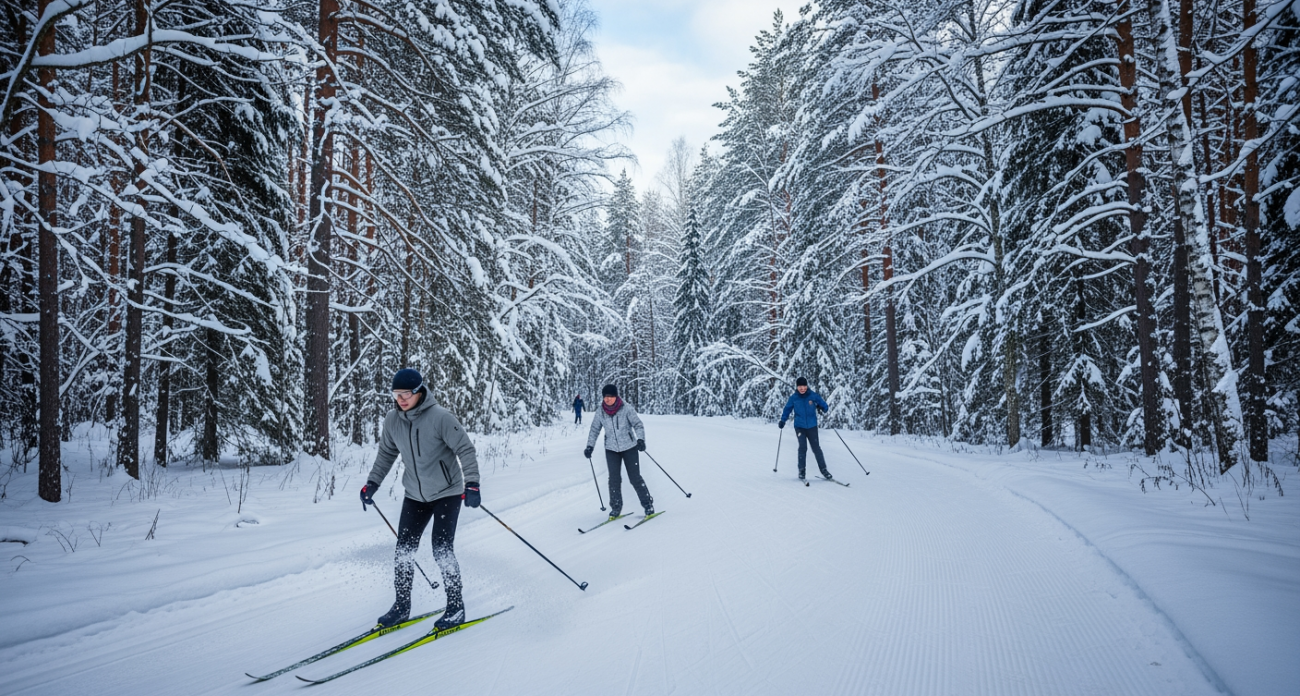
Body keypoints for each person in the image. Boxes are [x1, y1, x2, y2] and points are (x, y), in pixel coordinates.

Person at [360, 368, 480, 630]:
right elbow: (385, 455)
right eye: (396, 394)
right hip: (415, 494)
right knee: (403, 550)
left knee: (441, 549)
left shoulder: (441, 418)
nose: (401, 399)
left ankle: (456, 608)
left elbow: (465, 450)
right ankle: (402, 607)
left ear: (420, 391)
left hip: (447, 492)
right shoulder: (393, 420)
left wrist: (472, 484)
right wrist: (372, 483)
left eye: (406, 394)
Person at [583, 384, 653, 520]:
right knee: (613, 480)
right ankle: (616, 508)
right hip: (611, 449)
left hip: (630, 447)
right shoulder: (600, 412)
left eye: (610, 396)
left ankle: (648, 506)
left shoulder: (626, 408)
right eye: (605, 397)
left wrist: (641, 440)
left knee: (635, 478)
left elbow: (638, 425)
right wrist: (589, 446)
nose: (607, 399)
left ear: (616, 397)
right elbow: (594, 429)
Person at [779, 377, 833, 481]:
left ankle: (824, 470)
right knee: (803, 447)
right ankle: (802, 471)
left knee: (816, 448)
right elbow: (787, 410)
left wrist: (822, 408)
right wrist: (783, 420)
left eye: (804, 386)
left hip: (812, 426)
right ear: (797, 387)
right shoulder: (794, 398)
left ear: (807, 386)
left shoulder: (813, 396)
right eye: (800, 386)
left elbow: (824, 405)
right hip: (800, 427)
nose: (802, 388)